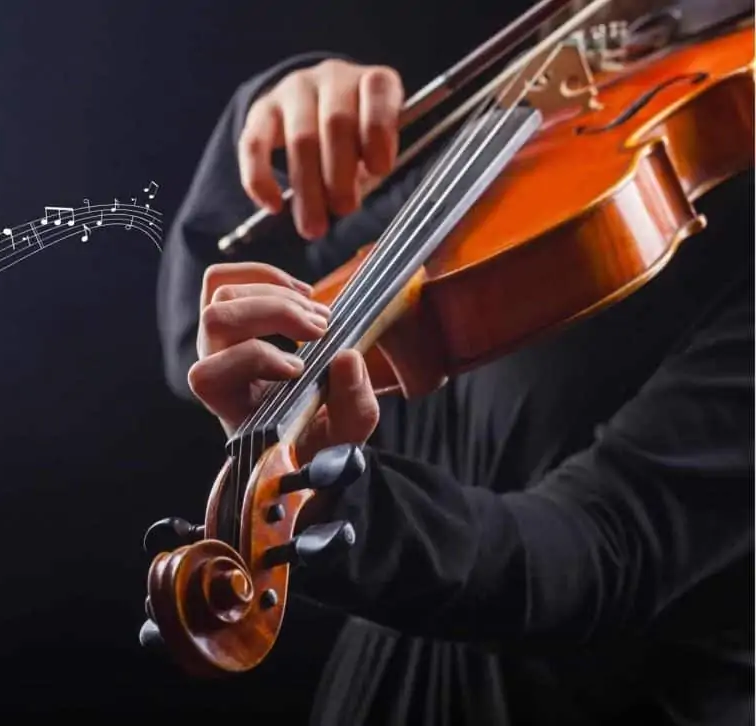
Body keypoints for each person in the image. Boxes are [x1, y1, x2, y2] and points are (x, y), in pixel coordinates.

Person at [155, 9, 754, 725]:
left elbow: (604, 548)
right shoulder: (578, 93)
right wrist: (281, 126)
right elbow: (217, 327)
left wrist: (346, 501)